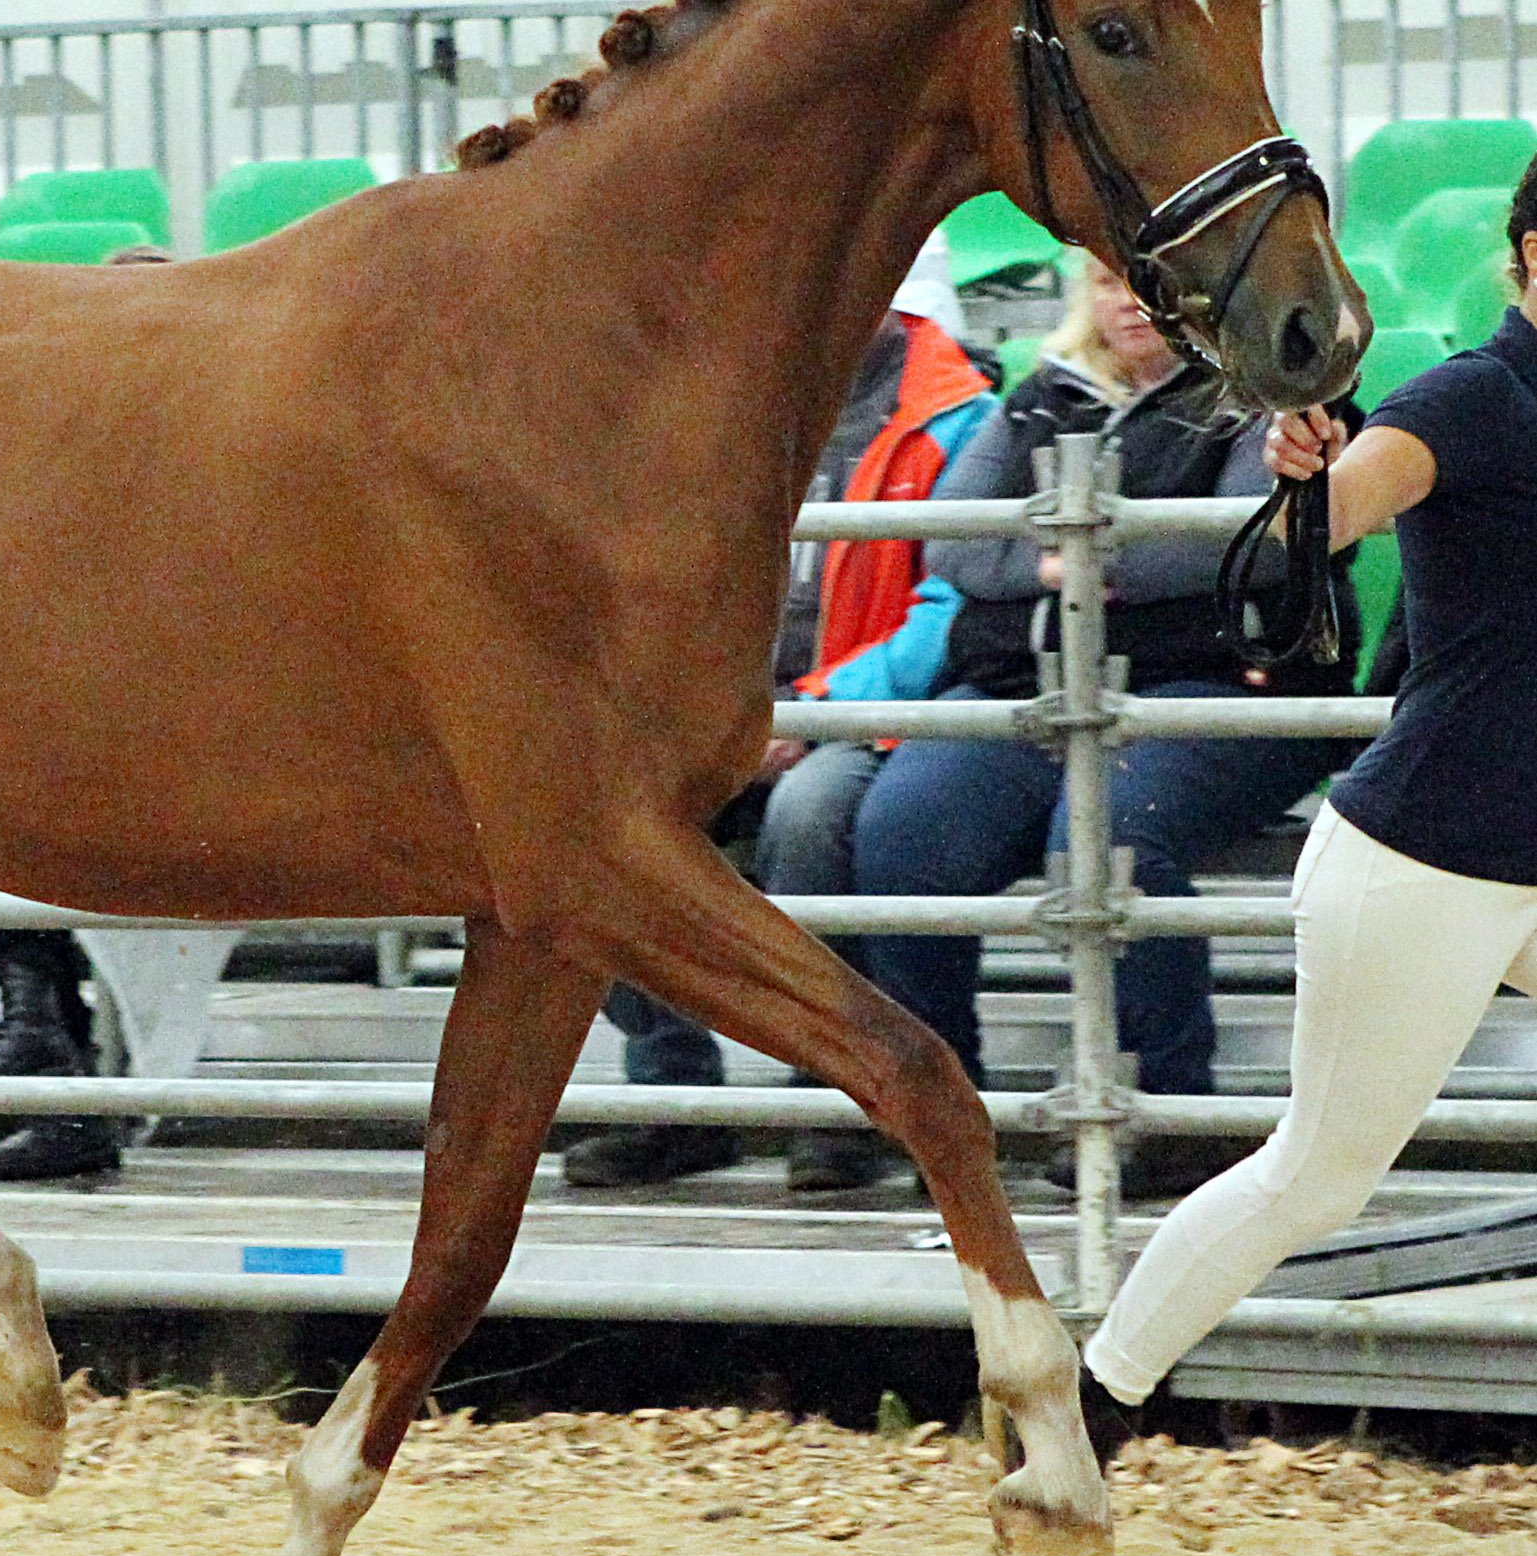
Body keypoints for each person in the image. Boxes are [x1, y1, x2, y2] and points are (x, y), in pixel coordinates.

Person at [1085, 161, 1537, 1407]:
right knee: (1317, 1176)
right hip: (1425, 861)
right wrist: (1297, 479)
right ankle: (1089, 1403)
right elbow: (1331, 519)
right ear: (1535, 258)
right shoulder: (1470, 400)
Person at [850, 255, 1357, 1197]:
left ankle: (1174, 1114)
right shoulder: (1046, 393)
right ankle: (946, 1114)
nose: (1127, 302)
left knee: (1112, 836)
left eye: (1151, 284)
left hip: (1225, 692)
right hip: (1038, 683)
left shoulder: (1265, 398)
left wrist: (1058, 544)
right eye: (1107, 282)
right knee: (899, 834)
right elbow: (952, 539)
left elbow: (1241, 547)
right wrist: (1081, 560)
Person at [566, 233, 997, 1188]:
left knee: (810, 818)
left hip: (876, 719)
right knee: (606, 818)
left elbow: (948, 611)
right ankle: (675, 1099)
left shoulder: (964, 422)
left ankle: (834, 1100)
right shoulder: (725, 414)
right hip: (735, 710)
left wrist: (813, 710)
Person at [0, 243, 174, 1181]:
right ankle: (45, 1049)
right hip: (104, 739)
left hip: (212, 752)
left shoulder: (234, 457)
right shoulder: (63, 463)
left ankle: (44, 1040)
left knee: (10, 791)